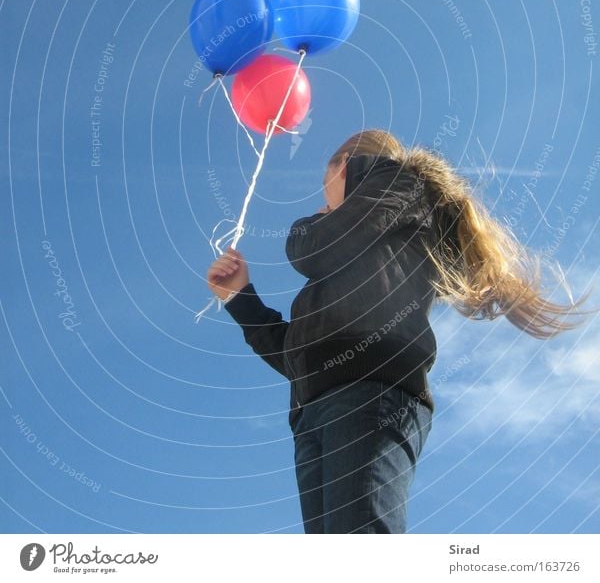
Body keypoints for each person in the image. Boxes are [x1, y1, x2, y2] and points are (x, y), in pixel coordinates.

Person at [207, 129, 594, 534]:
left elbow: (312, 249)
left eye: (325, 188)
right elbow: (300, 356)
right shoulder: (349, 254)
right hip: (312, 415)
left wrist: (308, 226)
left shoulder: (399, 182)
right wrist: (240, 299)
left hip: (370, 396)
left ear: (344, 166)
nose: (322, 203)